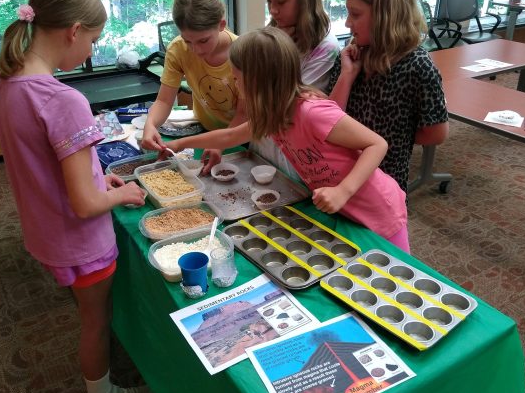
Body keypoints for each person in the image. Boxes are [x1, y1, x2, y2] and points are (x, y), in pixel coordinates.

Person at [0, 0, 155, 393]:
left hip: (46, 232)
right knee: (95, 322)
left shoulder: (5, 85)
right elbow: (83, 204)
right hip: (80, 240)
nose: (91, 52)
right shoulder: (63, 100)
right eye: (94, 39)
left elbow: (49, 172)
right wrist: (126, 195)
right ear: (73, 31)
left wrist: (104, 186)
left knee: (87, 314)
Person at [163, 27, 409, 252]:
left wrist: (343, 191)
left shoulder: (312, 112)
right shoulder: (273, 113)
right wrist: (178, 144)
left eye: (237, 79)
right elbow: (231, 135)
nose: (236, 86)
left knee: (395, 276)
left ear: (259, 80)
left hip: (379, 210)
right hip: (344, 211)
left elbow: (377, 144)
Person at [327, 0, 449, 195]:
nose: (347, 23)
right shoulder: (353, 54)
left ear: (385, 16)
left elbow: (437, 133)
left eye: (355, 14)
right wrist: (347, 75)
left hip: (383, 185)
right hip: (340, 175)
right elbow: (328, 120)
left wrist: (394, 138)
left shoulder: (418, 66)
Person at [255, 0, 340, 180]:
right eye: (269, 1)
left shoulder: (326, 46)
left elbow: (287, 101)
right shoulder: (275, 30)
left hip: (293, 153)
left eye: (281, 1)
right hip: (264, 141)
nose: (273, 10)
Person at [141, 0, 245, 172]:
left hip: (242, 138)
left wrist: (220, 143)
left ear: (221, 25)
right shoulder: (178, 49)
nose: (196, 50)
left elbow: (244, 113)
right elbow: (164, 100)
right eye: (188, 41)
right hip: (205, 132)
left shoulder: (242, 53)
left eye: (203, 40)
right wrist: (150, 124)